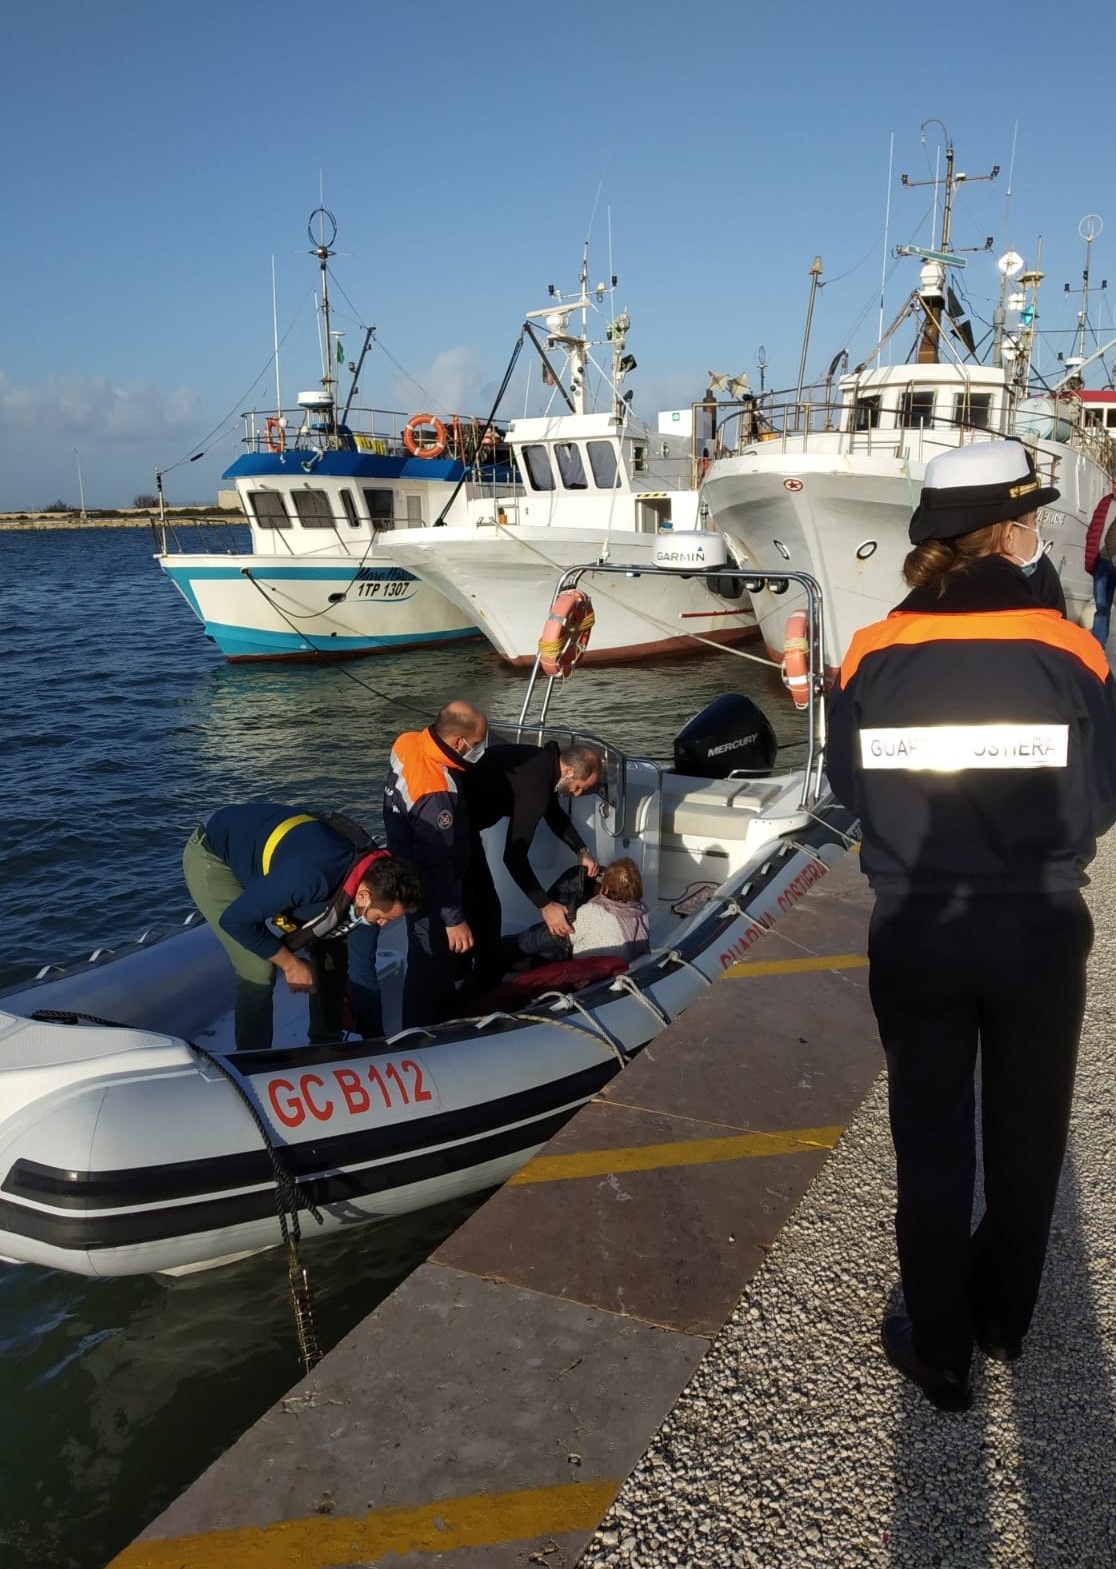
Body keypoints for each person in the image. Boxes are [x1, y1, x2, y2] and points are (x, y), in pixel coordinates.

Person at [826, 439, 1116, 1413]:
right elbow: (1104, 794)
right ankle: (1005, 1319)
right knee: (1029, 1138)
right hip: (1037, 926)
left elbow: (851, 790)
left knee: (933, 1139)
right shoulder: (1072, 649)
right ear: (1011, 530)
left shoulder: (867, 653)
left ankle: (941, 1351)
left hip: (917, 924)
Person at [183, 803, 422, 1051]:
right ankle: (253, 1058)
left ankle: (326, 1042)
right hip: (215, 854)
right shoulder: (310, 878)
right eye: (382, 918)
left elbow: (364, 974)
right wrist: (291, 964)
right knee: (258, 967)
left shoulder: (374, 889)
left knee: (333, 952)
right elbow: (236, 921)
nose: (382, 924)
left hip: (286, 854)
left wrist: (377, 1043)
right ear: (363, 896)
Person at [462, 740, 603, 991]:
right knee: (485, 911)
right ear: (569, 770)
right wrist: (545, 905)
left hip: (464, 826)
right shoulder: (537, 786)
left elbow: (554, 813)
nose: (578, 794)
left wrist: (582, 850)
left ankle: (467, 970)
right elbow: (513, 857)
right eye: (580, 787)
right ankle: (477, 986)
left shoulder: (542, 763)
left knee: (481, 907)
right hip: (456, 831)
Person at [382, 700, 489, 1027]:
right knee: (430, 962)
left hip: (403, 864)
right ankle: (422, 1034)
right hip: (428, 889)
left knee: (425, 954)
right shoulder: (437, 792)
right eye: (479, 742)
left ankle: (435, 1017)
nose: (481, 749)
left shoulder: (408, 742)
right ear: (458, 742)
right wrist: (454, 919)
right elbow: (437, 862)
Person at [1084, 480, 1116, 646]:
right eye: (1114, 482)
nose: (1115, 487)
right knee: (1102, 606)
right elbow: (1093, 529)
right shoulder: (1105, 503)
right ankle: (1097, 646)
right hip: (1102, 563)